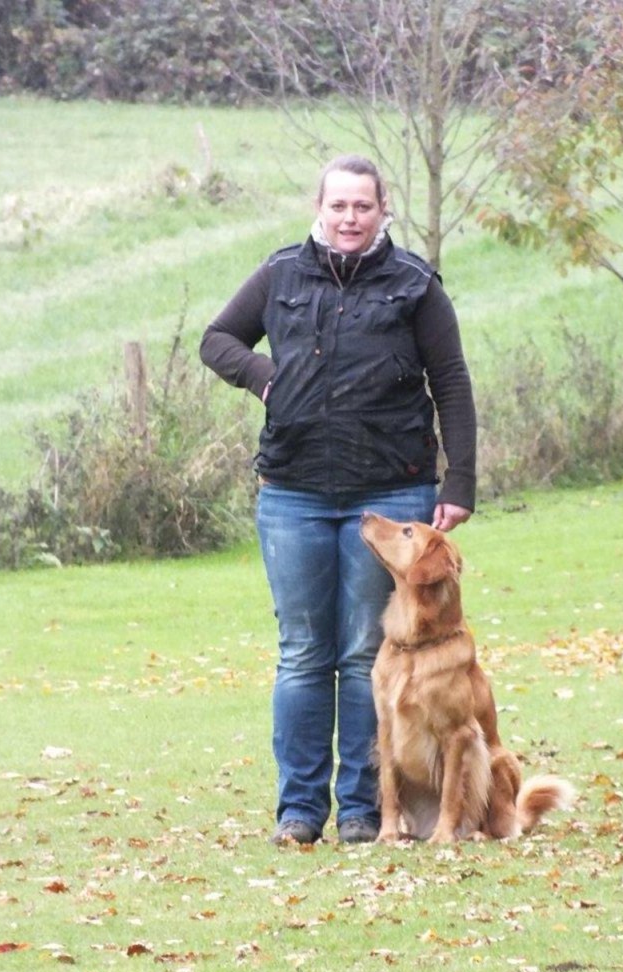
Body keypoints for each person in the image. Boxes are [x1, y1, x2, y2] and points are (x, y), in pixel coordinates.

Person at [200, 154, 476, 845]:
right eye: (338, 206)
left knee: (361, 653)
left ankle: (362, 809)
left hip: (388, 490)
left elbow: (452, 383)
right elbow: (217, 340)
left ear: (384, 211)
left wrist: (459, 481)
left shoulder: (415, 286)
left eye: (363, 206)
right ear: (318, 210)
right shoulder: (281, 274)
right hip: (292, 492)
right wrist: (266, 377)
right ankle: (299, 810)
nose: (350, 218)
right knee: (301, 652)